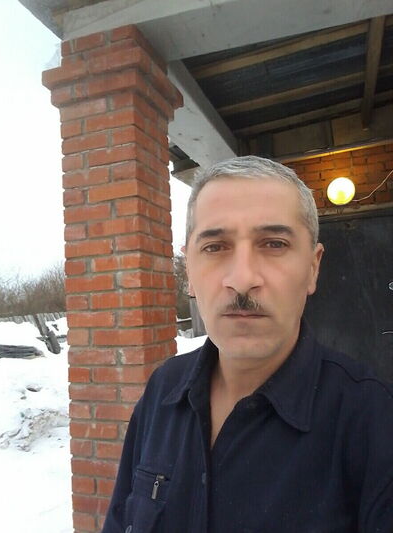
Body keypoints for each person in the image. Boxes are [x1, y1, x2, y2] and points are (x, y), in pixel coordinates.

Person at [102, 156, 393, 533]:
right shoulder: (162, 390)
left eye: (274, 244)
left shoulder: (373, 420)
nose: (241, 279)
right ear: (189, 271)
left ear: (313, 267)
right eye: (214, 247)